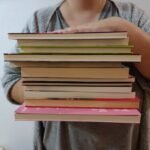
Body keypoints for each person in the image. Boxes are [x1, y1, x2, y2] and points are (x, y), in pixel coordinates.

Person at [2, 0, 150, 149]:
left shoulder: (131, 16)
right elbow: (11, 78)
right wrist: (48, 91)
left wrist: (124, 29)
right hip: (57, 143)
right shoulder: (40, 21)